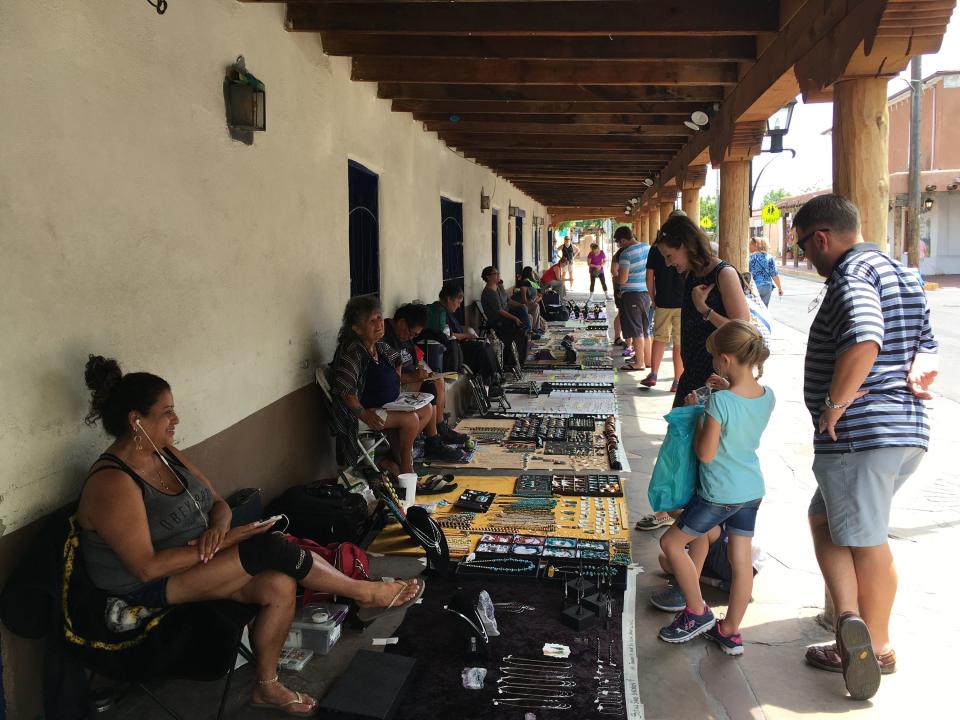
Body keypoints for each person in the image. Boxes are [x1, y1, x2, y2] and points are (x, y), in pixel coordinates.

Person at [79, 355, 422, 716]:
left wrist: (217, 529)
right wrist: (224, 543)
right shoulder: (113, 483)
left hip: (198, 559)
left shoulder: (165, 455)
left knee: (279, 584)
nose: (176, 419)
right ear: (137, 420)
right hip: (143, 590)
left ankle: (266, 686)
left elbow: (218, 504)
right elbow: (145, 568)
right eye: (167, 412)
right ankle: (364, 592)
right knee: (268, 547)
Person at [794, 194, 938, 700]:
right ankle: (851, 619)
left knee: (868, 538)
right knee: (824, 518)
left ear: (821, 238)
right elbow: (927, 347)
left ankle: (875, 646)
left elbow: (864, 339)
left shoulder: (852, 275)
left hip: (861, 432)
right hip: (902, 430)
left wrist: (835, 403)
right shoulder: (901, 272)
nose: (806, 258)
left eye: (804, 247)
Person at [657, 320, 774, 656]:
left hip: (719, 492)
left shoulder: (719, 404)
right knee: (741, 561)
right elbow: (743, 405)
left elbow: (705, 454)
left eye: (713, 358)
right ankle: (731, 631)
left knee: (672, 543)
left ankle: (697, 612)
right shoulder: (767, 396)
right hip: (751, 489)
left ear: (725, 358)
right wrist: (726, 386)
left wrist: (699, 411)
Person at [331, 295, 464, 474]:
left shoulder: (378, 345)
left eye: (379, 317)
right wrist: (364, 414)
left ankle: (394, 459)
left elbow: (397, 360)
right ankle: (405, 471)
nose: (379, 324)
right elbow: (346, 392)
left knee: (427, 410)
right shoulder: (352, 351)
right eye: (372, 321)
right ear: (356, 328)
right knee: (410, 420)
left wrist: (395, 384)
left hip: (384, 404)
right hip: (360, 412)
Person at [655, 214, 750, 407]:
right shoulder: (692, 274)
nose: (668, 263)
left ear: (684, 245)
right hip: (692, 374)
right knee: (680, 432)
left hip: (716, 378)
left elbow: (743, 330)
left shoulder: (724, 274)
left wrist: (704, 309)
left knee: (701, 435)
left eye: (669, 256)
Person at [383, 302, 470, 450]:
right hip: (394, 387)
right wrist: (413, 377)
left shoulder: (404, 337)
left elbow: (414, 362)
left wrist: (423, 373)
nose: (411, 337)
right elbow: (388, 379)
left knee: (437, 379)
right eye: (412, 333)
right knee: (429, 387)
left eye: (415, 335)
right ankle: (432, 439)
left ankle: (439, 428)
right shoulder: (385, 338)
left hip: (408, 380)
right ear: (402, 323)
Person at [426, 282, 501, 387]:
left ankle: (495, 377)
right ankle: (490, 382)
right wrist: (467, 336)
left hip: (459, 345)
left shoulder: (446, 312)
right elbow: (448, 336)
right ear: (448, 299)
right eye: (458, 302)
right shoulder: (440, 314)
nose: (459, 306)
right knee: (482, 349)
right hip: (453, 350)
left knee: (486, 346)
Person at [641, 232, 685, 393]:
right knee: (679, 343)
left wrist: (653, 298)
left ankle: (653, 374)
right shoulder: (685, 247)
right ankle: (677, 381)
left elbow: (649, 277)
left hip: (663, 301)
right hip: (683, 302)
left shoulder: (656, 249)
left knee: (659, 338)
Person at [480, 266, 529, 372]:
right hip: (498, 320)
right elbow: (499, 311)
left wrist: (521, 305)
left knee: (522, 310)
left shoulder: (499, 287)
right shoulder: (488, 292)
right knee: (517, 324)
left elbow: (508, 301)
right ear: (488, 277)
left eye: (498, 273)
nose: (498, 275)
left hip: (506, 313)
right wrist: (515, 318)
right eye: (495, 274)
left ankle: (527, 332)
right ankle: (522, 340)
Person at [616, 227, 651, 371]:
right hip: (646, 293)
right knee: (645, 329)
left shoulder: (626, 253)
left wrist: (616, 279)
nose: (619, 245)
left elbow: (623, 279)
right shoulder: (648, 247)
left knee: (636, 330)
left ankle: (639, 362)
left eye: (619, 242)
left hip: (632, 295)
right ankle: (648, 360)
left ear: (623, 240)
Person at [748, 237, 783, 306]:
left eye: (750, 245)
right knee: (764, 309)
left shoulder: (750, 258)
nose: (749, 247)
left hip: (755, 286)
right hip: (767, 286)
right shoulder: (770, 257)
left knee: (755, 310)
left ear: (756, 245)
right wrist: (779, 288)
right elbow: (774, 274)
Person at [610, 232, 629, 345]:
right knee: (622, 313)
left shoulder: (623, 252)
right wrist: (622, 280)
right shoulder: (620, 253)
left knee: (623, 313)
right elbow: (613, 271)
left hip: (624, 287)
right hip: (622, 287)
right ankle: (618, 337)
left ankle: (621, 338)